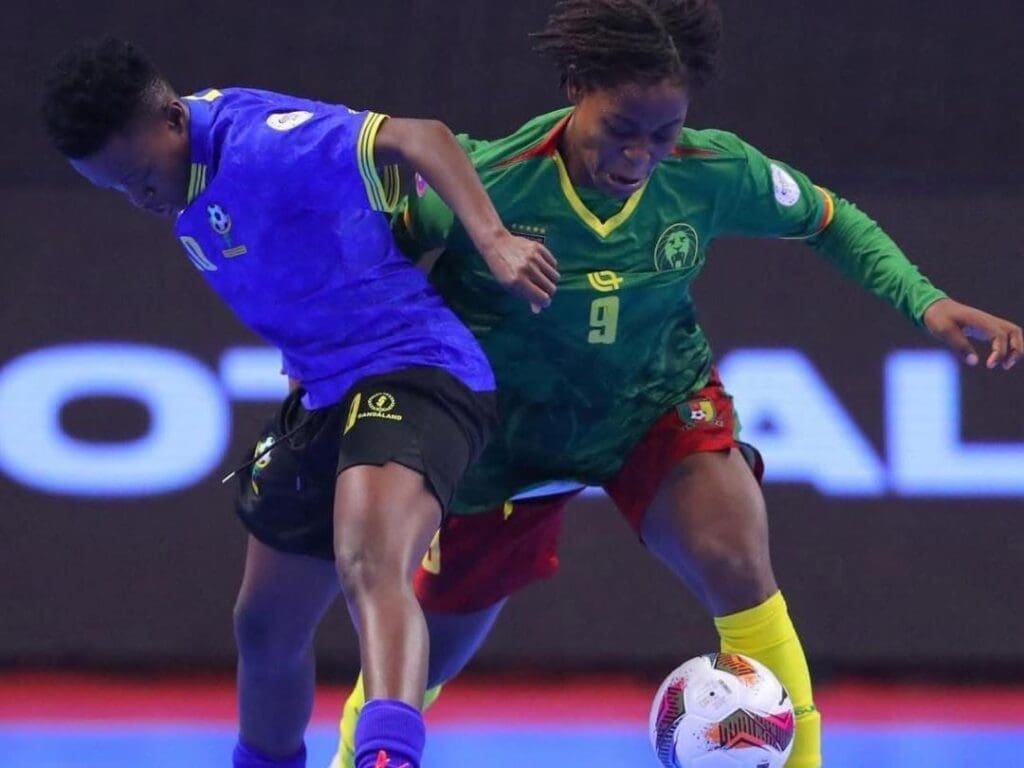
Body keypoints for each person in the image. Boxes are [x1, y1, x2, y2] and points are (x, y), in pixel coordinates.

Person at [321, 2, 1024, 767]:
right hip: (500, 438)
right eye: (620, 128)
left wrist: (927, 302)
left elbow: (830, 220)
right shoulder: (488, 182)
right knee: (430, 647)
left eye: (663, 133)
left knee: (735, 557)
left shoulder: (709, 168)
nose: (640, 154)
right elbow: (372, 260)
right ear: (575, 87)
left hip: (650, 404)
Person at [41, 36, 559, 768]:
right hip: (326, 391)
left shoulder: (263, 144)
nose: (140, 198)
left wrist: (496, 240)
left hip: (419, 370)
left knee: (368, 560)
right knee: (264, 625)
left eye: (136, 174)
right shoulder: (178, 179)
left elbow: (419, 137)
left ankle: (387, 758)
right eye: (115, 189)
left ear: (169, 118)